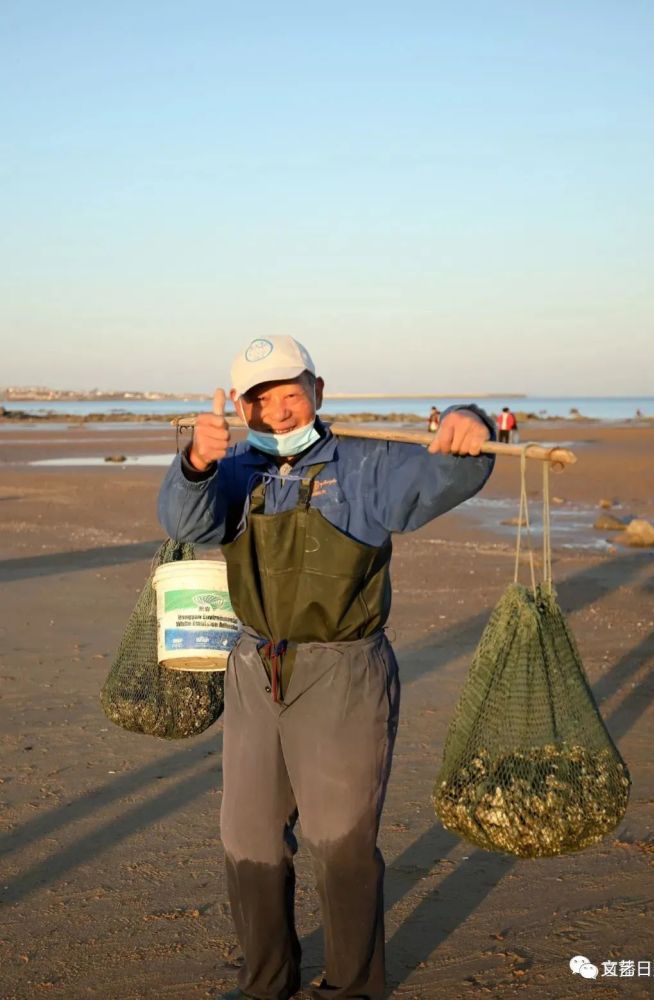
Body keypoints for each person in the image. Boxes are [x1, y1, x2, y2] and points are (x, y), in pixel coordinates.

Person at [157, 335, 496, 1000]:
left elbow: (445, 474)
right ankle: (266, 983)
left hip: (343, 669)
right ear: (242, 408)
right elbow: (185, 519)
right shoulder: (234, 467)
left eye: (290, 392)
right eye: (261, 399)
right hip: (254, 665)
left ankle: (351, 988)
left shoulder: (366, 462)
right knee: (248, 836)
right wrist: (196, 460)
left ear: (318, 389)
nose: (279, 411)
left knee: (337, 841)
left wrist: (470, 424)